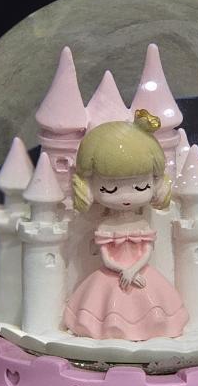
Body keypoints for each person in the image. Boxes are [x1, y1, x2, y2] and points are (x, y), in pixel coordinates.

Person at [63, 110, 188, 340]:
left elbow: (146, 251)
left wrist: (134, 269)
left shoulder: (141, 223)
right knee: (107, 308)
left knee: (153, 305)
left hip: (139, 271)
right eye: (109, 189)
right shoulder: (106, 226)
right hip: (113, 275)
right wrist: (123, 271)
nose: (126, 197)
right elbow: (106, 257)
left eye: (141, 187)